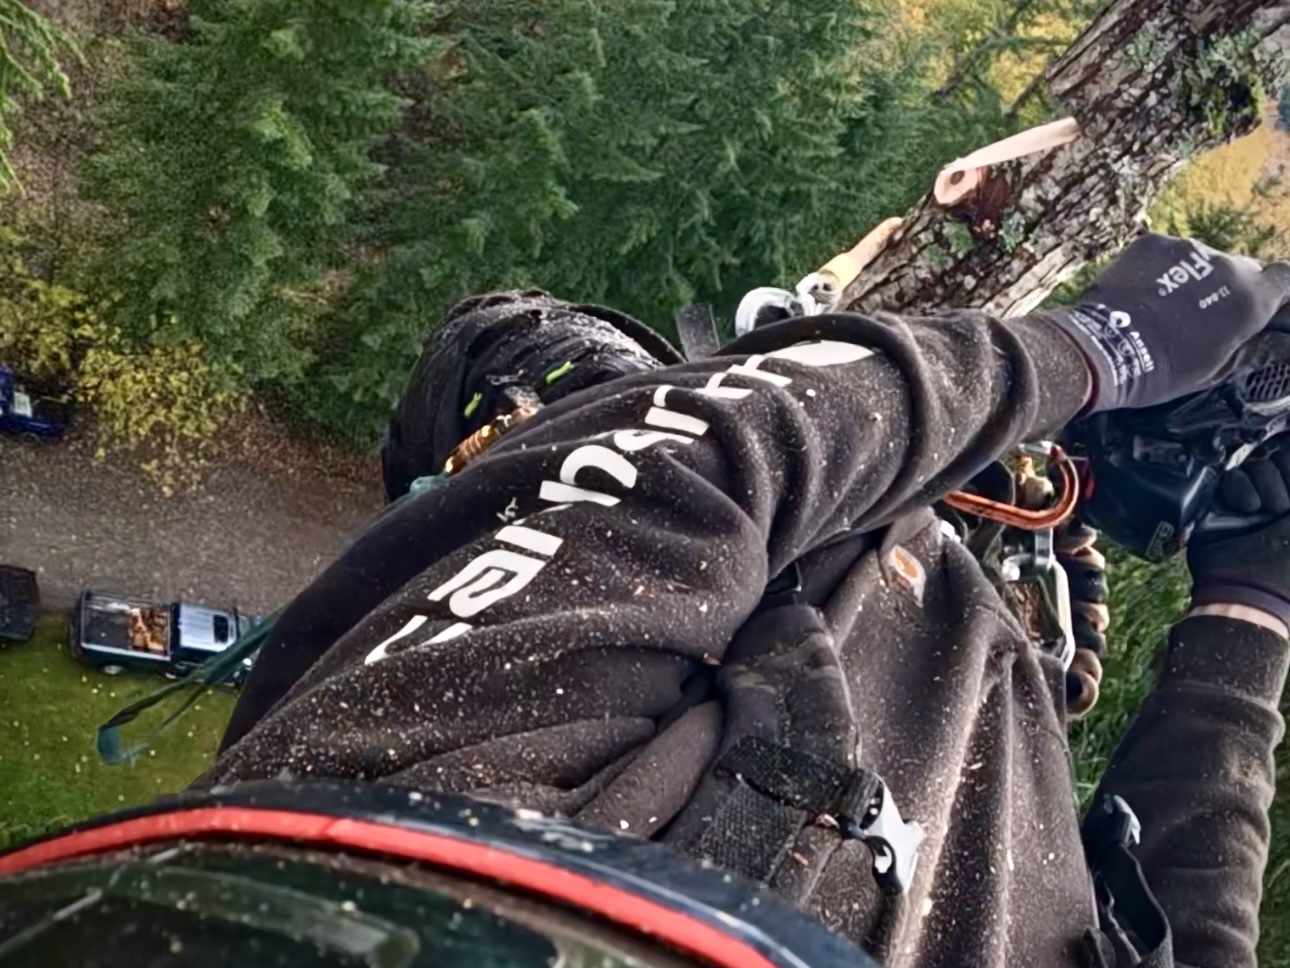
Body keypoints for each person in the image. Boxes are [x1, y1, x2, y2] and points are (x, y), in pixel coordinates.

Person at [197, 234, 1290, 968]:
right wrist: (1248, 605)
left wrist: (1083, 356)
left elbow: (667, 466)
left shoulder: (370, 869)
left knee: (512, 355)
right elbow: (1187, 934)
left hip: (762, 543)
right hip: (885, 586)